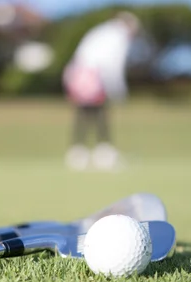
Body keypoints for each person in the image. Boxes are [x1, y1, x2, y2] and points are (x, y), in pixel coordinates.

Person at [62, 12, 140, 171]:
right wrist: (119, 90)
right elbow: (113, 64)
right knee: (100, 113)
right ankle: (103, 154)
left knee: (85, 112)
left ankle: (79, 153)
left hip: (79, 71)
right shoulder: (119, 36)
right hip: (94, 74)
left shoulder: (102, 30)